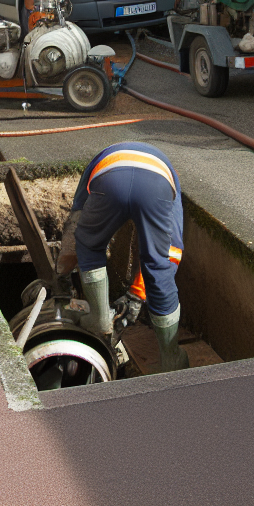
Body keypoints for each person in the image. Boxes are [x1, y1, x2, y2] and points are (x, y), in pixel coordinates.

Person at [55, 142, 188, 372]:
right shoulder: (170, 179)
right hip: (155, 186)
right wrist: (137, 296)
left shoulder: (98, 163)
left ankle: (99, 318)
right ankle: (171, 357)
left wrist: (62, 274)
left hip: (110, 180)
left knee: (89, 243)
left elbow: (76, 225)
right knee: (158, 264)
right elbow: (172, 251)